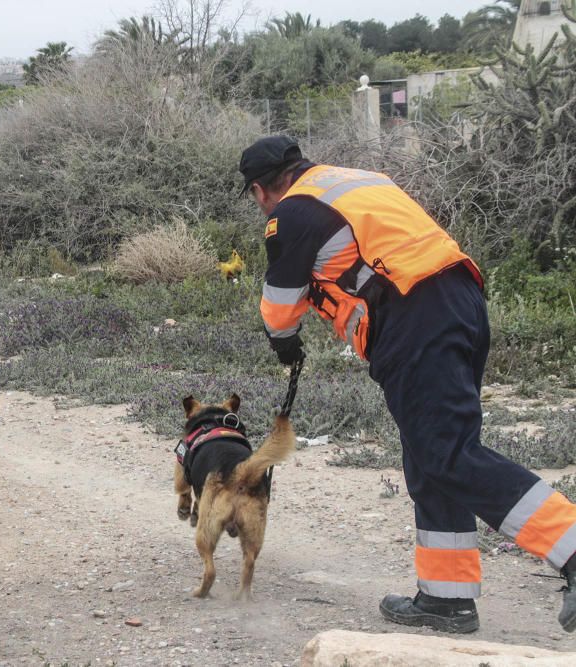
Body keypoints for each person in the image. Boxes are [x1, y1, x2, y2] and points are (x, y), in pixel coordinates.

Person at [238, 135, 576, 634]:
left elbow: (279, 305)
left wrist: (284, 343)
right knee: (429, 456)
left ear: (261, 190)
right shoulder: (360, 181)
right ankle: (447, 598)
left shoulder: (290, 212)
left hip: (414, 317)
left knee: (449, 454)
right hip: (460, 301)